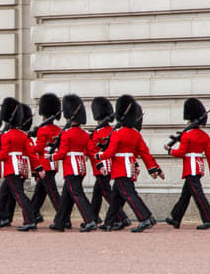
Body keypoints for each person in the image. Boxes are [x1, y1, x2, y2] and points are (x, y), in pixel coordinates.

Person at [95, 95, 164, 232]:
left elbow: (110, 153)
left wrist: (99, 156)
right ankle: (109, 222)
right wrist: (153, 168)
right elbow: (145, 153)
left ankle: (145, 218)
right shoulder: (135, 134)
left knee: (130, 195)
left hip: (120, 168)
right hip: (130, 166)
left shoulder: (117, 133)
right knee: (116, 197)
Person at [0, 97, 45, 231]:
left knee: (19, 195)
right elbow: (31, 154)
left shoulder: (7, 135)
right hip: (21, 167)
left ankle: (30, 220)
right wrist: (39, 167)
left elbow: (4, 155)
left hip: (11, 168)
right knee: (2, 195)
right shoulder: (23, 135)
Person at [164, 98, 210, 230]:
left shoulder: (187, 135)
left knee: (198, 195)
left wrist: (170, 150)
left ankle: (209, 219)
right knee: (185, 195)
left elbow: (181, 152)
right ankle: (175, 218)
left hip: (190, 167)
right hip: (198, 166)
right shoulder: (204, 135)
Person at [47, 94, 97, 232]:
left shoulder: (67, 134)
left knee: (77, 194)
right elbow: (91, 151)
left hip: (71, 167)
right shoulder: (85, 134)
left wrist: (51, 157)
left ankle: (90, 219)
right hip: (80, 167)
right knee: (66, 197)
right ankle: (60, 222)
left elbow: (62, 153)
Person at [85, 96, 130, 228]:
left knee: (107, 193)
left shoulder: (98, 133)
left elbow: (92, 150)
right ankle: (93, 217)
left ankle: (122, 217)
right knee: (97, 193)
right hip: (111, 165)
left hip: (101, 166)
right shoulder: (112, 131)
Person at [30, 93, 62, 224]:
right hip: (53, 163)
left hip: (44, 164)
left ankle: (63, 217)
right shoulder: (58, 129)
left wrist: (26, 148)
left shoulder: (43, 130)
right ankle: (33, 214)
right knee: (40, 192)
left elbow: (38, 148)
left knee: (53, 193)